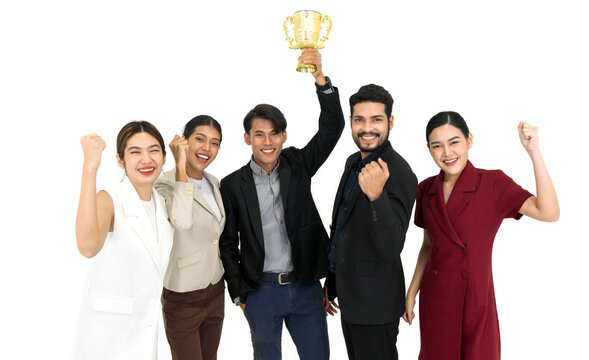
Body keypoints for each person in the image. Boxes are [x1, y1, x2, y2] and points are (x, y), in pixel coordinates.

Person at [219, 49, 344, 360]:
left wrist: (320, 80)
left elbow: (332, 129)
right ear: (247, 138)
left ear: (284, 136)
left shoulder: (297, 164)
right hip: (261, 292)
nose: (268, 141)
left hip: (305, 288)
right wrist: (238, 292)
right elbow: (227, 243)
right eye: (259, 134)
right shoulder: (233, 184)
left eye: (274, 133)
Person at [403, 111, 559, 359]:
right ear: (429, 149)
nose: (447, 153)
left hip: (476, 300)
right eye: (437, 146)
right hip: (436, 300)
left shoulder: (492, 183)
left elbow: (548, 212)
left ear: (469, 140)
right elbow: (428, 247)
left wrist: (534, 152)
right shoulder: (426, 189)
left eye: (454, 142)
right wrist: (411, 293)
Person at [323, 84, 418, 360]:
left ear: (390, 122)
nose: (367, 128)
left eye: (376, 120)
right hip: (350, 299)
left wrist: (377, 197)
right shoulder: (353, 161)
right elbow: (342, 227)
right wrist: (331, 282)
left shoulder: (399, 172)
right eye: (359, 120)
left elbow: (392, 246)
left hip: (376, 305)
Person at [74, 121, 174, 359]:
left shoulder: (161, 203)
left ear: (163, 156)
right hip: (109, 338)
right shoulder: (109, 199)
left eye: (153, 150)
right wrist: (90, 168)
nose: (146, 159)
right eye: (135, 152)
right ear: (120, 160)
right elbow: (87, 247)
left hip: (147, 333)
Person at [155, 115, 226, 360]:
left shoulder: (213, 183)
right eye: (200, 139)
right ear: (184, 141)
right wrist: (180, 166)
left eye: (215, 143)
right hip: (183, 295)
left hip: (215, 289)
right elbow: (181, 221)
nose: (207, 148)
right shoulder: (163, 184)